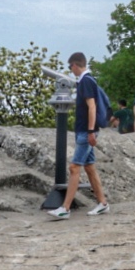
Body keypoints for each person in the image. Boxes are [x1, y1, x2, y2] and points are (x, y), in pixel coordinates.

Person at [49, 52, 113, 220]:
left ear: (75, 65)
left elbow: (91, 107)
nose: (71, 71)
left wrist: (91, 131)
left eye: (71, 67)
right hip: (85, 131)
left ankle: (65, 208)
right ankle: (102, 204)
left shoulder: (85, 81)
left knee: (74, 168)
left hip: (86, 131)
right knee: (90, 168)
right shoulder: (88, 80)